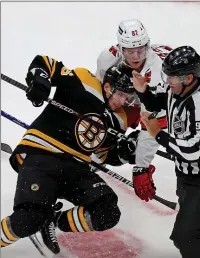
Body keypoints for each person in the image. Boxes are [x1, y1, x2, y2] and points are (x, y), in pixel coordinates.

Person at [0, 58, 145, 254]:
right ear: (108, 85)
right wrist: (40, 81)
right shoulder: (84, 81)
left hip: (76, 170)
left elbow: (102, 156)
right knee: (28, 219)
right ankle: (39, 219)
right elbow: (45, 63)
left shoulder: (118, 120)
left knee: (107, 212)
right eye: (120, 94)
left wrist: (126, 152)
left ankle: (53, 219)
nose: (123, 102)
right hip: (43, 156)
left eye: (128, 98)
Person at [133, 45, 200, 258]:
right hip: (187, 171)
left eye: (172, 77)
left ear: (189, 77)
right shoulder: (178, 89)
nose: (167, 81)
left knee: (184, 235)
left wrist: (158, 134)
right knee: (186, 200)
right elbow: (160, 100)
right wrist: (143, 90)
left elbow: (194, 150)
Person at [95, 19, 172, 201]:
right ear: (121, 48)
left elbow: (152, 124)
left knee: (179, 132)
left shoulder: (157, 73)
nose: (137, 56)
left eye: (142, 49)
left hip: (173, 96)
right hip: (135, 94)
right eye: (130, 51)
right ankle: (103, 150)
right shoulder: (107, 59)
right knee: (109, 114)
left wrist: (141, 167)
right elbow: (100, 95)